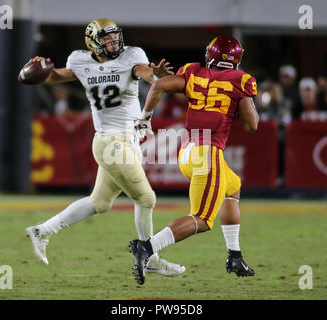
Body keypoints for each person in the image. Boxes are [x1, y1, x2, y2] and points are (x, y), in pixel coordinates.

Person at [25, 18, 185, 277]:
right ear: (92, 43)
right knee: (146, 198)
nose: (113, 42)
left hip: (128, 140)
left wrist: (157, 75)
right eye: (106, 39)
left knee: (99, 202)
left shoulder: (132, 56)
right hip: (111, 141)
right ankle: (150, 256)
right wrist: (37, 69)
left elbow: (144, 72)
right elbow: (56, 76)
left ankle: (42, 231)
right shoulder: (80, 61)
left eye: (115, 37)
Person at [130, 36, 259, 285]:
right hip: (208, 153)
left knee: (233, 187)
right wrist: (246, 99)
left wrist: (145, 118)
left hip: (187, 150)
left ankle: (235, 255)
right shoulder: (242, 81)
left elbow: (158, 87)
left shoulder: (193, 71)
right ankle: (146, 247)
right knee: (201, 218)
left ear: (210, 55)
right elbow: (251, 125)